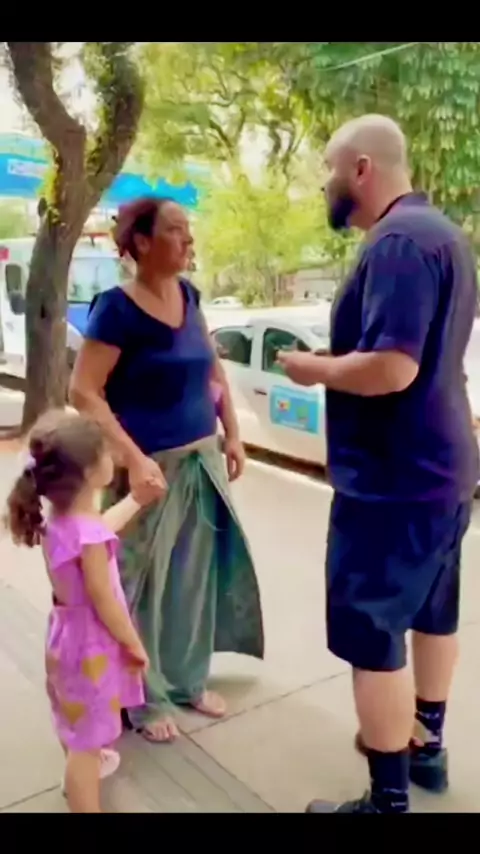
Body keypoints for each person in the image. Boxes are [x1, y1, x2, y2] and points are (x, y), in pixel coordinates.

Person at [278, 114, 480, 814]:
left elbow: (393, 367)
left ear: (361, 168)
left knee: (373, 633)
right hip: (440, 474)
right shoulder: (443, 233)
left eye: (330, 169)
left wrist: (314, 368)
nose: (325, 184)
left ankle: (387, 800)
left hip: (392, 483)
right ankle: (427, 747)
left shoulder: (397, 242)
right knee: (432, 611)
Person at [69, 196, 264, 744]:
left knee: (192, 580)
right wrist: (132, 459)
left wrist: (232, 433)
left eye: (187, 229)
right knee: (137, 587)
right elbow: (83, 390)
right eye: (176, 230)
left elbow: (213, 369)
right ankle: (141, 695)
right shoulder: (116, 309)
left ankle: (185, 680)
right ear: (142, 242)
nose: (188, 239)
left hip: (202, 459)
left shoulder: (189, 295)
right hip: (146, 473)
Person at [5, 410, 150, 813]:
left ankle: (81, 767)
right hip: (92, 645)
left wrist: (136, 500)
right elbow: (104, 599)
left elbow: (98, 526)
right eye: (106, 452)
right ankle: (83, 788)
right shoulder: (89, 536)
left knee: (74, 720)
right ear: (89, 472)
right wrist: (133, 643)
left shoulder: (60, 519)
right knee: (85, 745)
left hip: (66, 638)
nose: (113, 457)